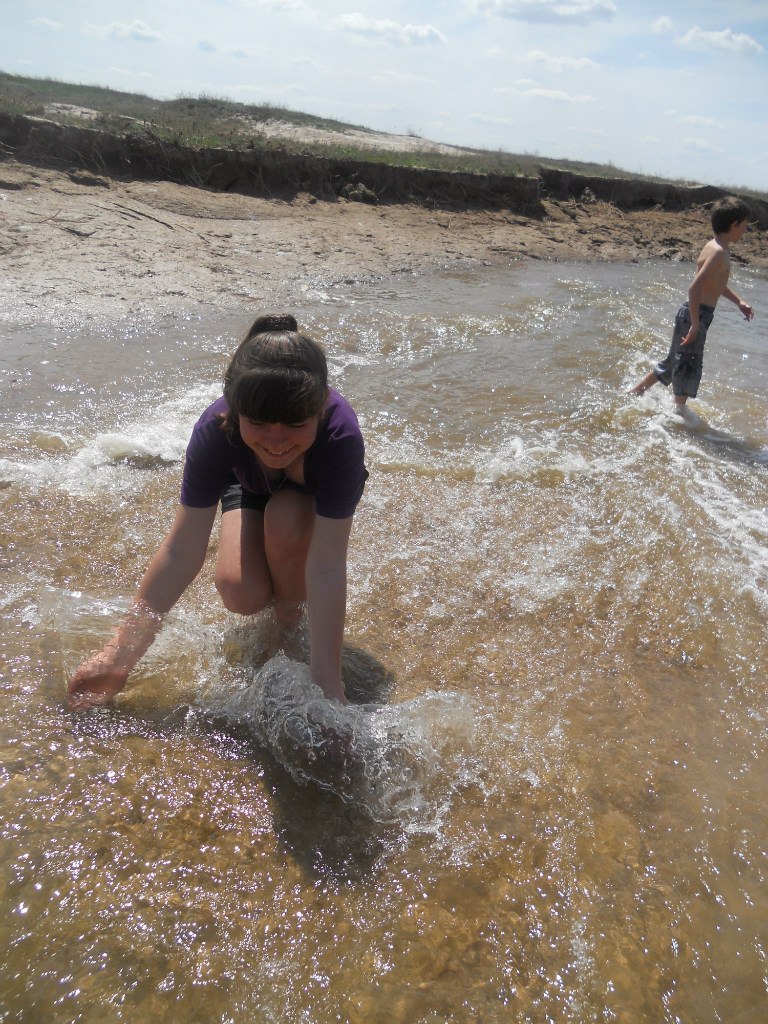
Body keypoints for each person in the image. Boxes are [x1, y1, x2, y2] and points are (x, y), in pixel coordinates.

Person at [67, 313, 367, 710]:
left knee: (286, 520)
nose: (276, 440)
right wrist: (119, 655)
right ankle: (273, 587)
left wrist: (328, 684)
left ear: (321, 406)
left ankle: (288, 620)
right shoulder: (215, 428)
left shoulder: (340, 437)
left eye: (295, 423)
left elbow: (327, 565)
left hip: (303, 500)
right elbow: (180, 551)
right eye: (259, 423)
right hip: (249, 484)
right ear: (236, 411)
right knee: (240, 592)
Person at [628, 196, 754, 408]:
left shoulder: (715, 246)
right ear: (734, 225)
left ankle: (636, 392)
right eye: (745, 226)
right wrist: (695, 324)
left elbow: (716, 284)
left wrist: (739, 301)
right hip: (696, 314)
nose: (745, 230)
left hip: (694, 313)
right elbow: (694, 287)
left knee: (674, 360)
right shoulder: (718, 252)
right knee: (688, 365)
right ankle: (679, 413)